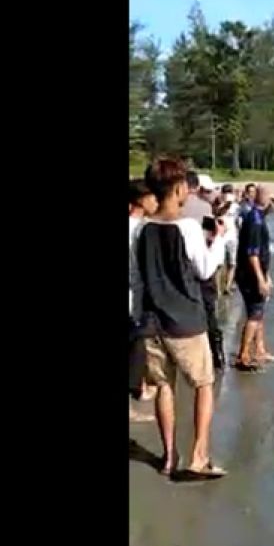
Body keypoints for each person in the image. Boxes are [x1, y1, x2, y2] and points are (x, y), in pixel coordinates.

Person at [131, 158, 229, 478]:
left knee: (164, 387)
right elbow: (204, 269)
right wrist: (222, 240)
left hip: (150, 321)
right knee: (203, 384)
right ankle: (198, 455)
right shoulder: (186, 227)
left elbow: (136, 277)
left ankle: (169, 456)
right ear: (178, 188)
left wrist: (139, 318)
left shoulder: (140, 228)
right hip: (184, 320)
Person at [234, 185, 274, 371]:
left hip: (256, 272)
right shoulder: (255, 221)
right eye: (273, 201)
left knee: (259, 312)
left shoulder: (258, 217)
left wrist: (267, 276)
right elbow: (252, 254)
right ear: (266, 199)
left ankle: (259, 349)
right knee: (254, 314)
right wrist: (260, 279)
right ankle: (243, 355)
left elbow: (261, 253)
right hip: (250, 275)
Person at [129, 179, 158, 423]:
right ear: (140, 200)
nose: (155, 202)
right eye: (152, 197)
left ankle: (140, 388)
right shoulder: (140, 229)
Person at [200, 205, 230, 372]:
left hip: (203, 282)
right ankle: (217, 356)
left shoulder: (205, 239)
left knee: (209, 318)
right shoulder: (213, 241)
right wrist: (218, 237)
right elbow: (214, 264)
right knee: (210, 318)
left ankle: (217, 356)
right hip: (205, 281)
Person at [218, 184, 242, 293]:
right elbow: (217, 213)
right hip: (221, 236)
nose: (228, 194)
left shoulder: (236, 207)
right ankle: (218, 286)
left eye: (230, 192)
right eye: (226, 192)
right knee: (219, 263)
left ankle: (227, 286)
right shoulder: (218, 204)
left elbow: (238, 221)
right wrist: (226, 205)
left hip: (233, 236)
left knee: (232, 263)